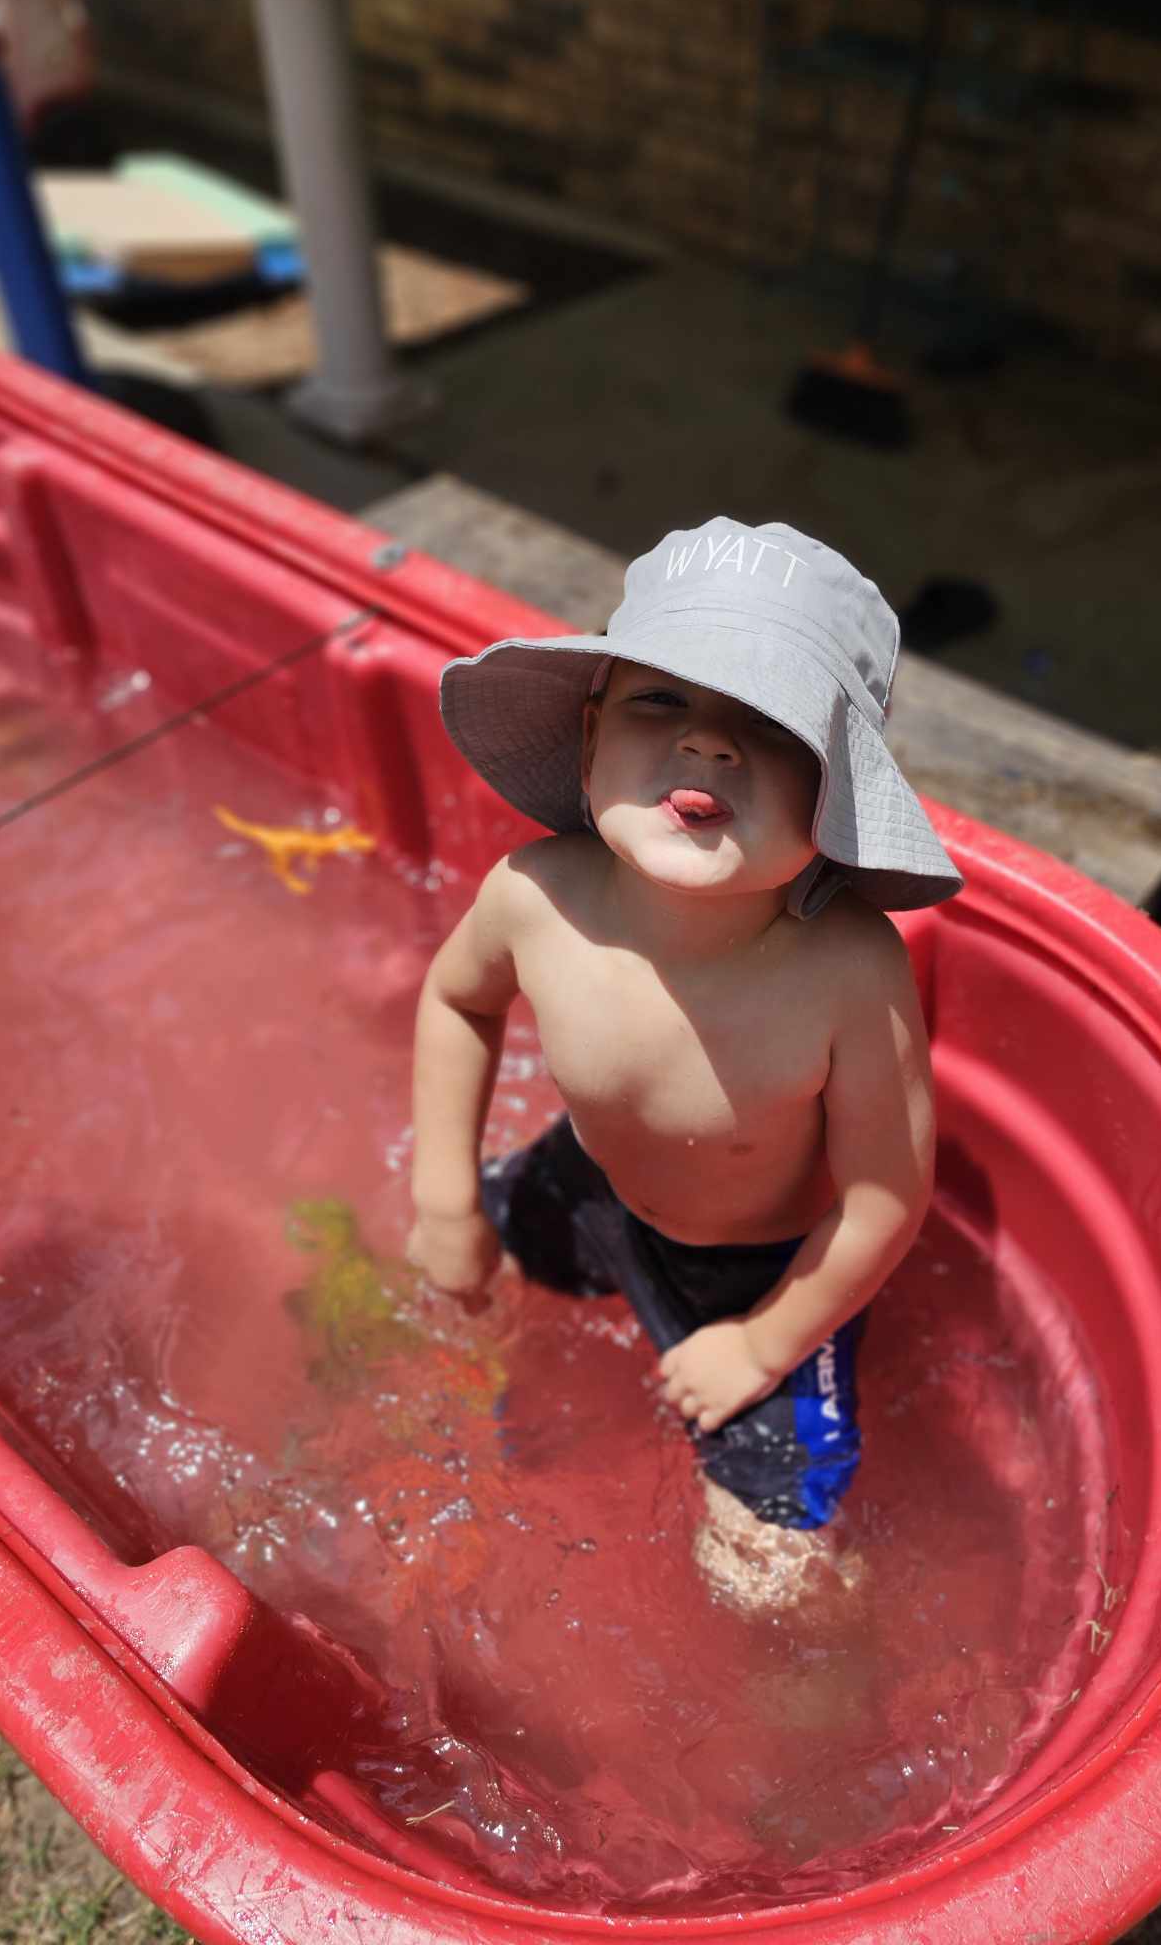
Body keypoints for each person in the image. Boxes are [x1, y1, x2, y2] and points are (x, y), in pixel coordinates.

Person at [406, 518, 962, 1605]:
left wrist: (762, 1342)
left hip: (765, 1270)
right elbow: (455, 1001)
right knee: (429, 1288)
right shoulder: (536, 893)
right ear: (588, 740)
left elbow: (886, 1197)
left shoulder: (847, 968)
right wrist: (441, 1197)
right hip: (595, 1180)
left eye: (768, 722)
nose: (710, 745)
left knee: (774, 1580)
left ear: (834, 796)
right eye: (663, 700)